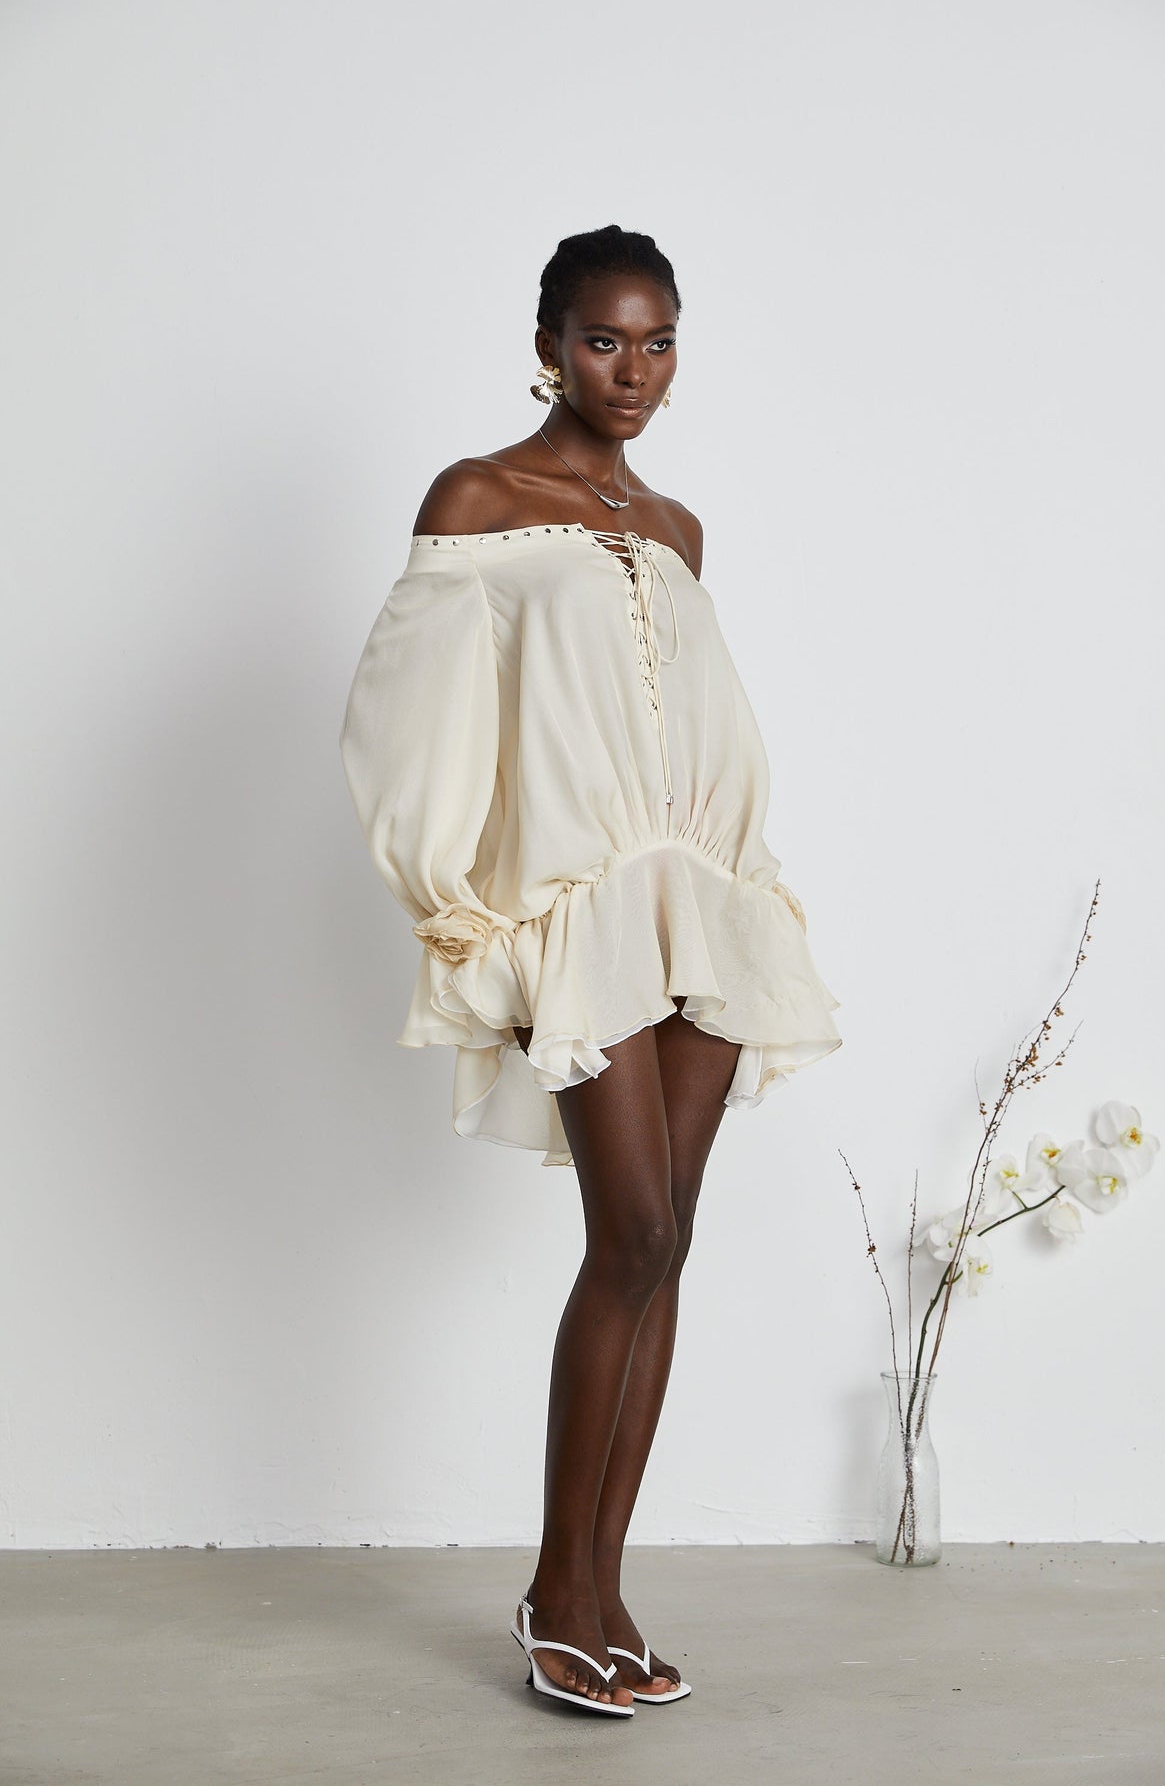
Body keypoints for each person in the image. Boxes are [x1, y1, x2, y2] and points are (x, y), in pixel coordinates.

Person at [339, 225, 842, 1717]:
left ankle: (605, 1587)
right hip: (578, 905)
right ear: (551, 344)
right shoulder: (480, 499)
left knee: (667, 1239)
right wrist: (463, 913)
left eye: (659, 341)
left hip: (702, 897)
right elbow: (409, 720)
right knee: (628, 1231)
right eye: (606, 340)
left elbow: (709, 720)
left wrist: (744, 875)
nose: (634, 370)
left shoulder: (680, 529)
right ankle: (558, 1588)